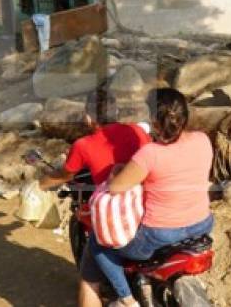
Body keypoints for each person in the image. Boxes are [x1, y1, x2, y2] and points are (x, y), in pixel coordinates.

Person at [89, 88, 214, 307]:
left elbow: (117, 187)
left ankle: (126, 299)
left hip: (160, 235)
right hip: (202, 224)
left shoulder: (150, 154)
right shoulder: (203, 140)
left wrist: (118, 171)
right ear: (185, 116)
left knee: (98, 243)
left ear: (154, 121)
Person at [39, 89, 150, 307]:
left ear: (88, 117)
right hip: (146, 210)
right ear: (116, 111)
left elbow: (64, 174)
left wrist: (42, 184)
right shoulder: (137, 131)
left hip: (119, 217)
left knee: (89, 278)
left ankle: (124, 298)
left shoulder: (84, 145)